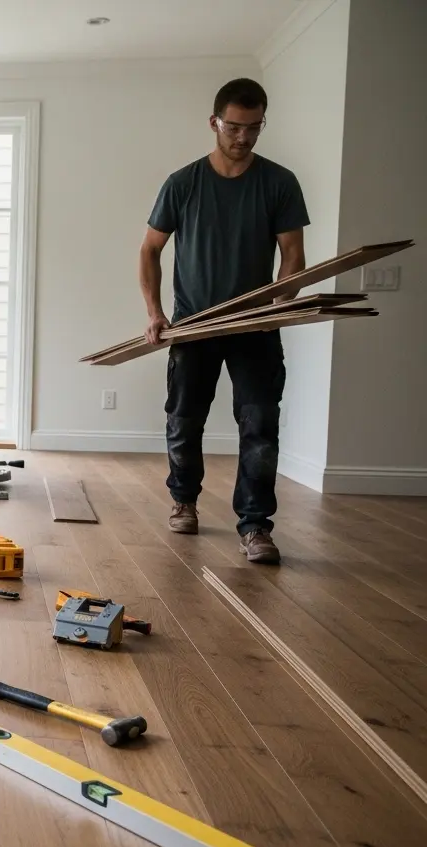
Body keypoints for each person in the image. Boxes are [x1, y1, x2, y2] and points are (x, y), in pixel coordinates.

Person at [139, 77, 309, 564]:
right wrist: (156, 314)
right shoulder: (183, 183)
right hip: (194, 325)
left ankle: (256, 526)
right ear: (214, 122)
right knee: (184, 419)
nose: (243, 137)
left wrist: (278, 304)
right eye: (233, 127)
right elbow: (150, 250)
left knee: (260, 425)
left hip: (255, 326)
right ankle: (184, 500)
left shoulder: (279, 182)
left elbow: (294, 256)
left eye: (253, 128)